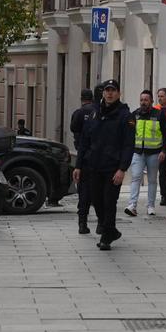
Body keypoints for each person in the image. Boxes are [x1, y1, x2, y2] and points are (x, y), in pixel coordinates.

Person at [73, 79, 134, 250]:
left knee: (109, 202)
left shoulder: (125, 116)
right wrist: (78, 166)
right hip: (93, 166)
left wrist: (122, 169)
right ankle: (111, 229)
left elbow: (129, 145)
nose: (109, 93)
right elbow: (85, 141)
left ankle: (106, 237)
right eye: (107, 90)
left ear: (118, 93)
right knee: (97, 201)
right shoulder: (94, 113)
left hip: (113, 168)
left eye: (113, 90)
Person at [125, 89, 166, 217]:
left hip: (154, 153)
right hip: (138, 152)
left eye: (146, 100)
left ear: (151, 101)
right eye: (141, 100)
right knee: (136, 177)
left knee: (152, 180)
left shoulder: (159, 115)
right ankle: (132, 205)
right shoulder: (134, 115)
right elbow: (129, 134)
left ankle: (150, 206)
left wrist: (164, 151)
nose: (143, 102)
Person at [69, 88, 97, 234]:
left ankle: (82, 223)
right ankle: (101, 223)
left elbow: (73, 128)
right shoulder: (97, 111)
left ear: (81, 98)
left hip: (83, 156)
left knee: (83, 192)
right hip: (98, 157)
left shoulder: (78, 113)